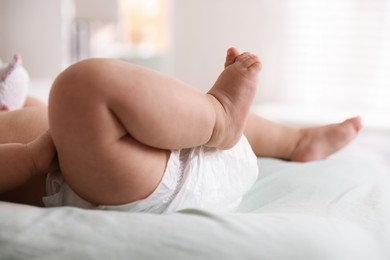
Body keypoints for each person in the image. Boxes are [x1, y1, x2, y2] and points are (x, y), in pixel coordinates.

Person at [0, 48, 361, 213]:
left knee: (166, 103)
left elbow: (35, 114)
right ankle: (218, 115)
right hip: (101, 185)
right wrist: (31, 159)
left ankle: (295, 140)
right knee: (79, 88)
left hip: (185, 154)